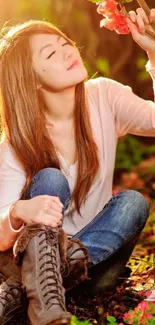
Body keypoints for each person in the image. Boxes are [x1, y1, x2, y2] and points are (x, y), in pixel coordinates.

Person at [0, 6, 155, 325]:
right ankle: (42, 285)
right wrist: (18, 211)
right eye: (50, 53)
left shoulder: (104, 97)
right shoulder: (17, 142)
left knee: (133, 203)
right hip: (33, 256)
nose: (67, 51)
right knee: (50, 179)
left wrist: (154, 53)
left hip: (93, 268)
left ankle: (28, 288)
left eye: (63, 43)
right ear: (33, 80)